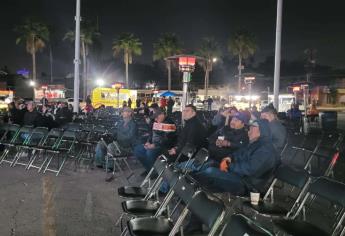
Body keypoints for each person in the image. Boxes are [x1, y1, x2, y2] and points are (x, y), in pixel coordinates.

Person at [193, 119, 279, 195]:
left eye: (252, 127)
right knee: (210, 164)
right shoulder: (255, 144)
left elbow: (251, 169)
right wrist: (229, 158)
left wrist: (229, 166)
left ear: (261, 130)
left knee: (210, 172)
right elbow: (239, 153)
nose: (249, 130)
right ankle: (189, 182)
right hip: (238, 174)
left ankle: (189, 187)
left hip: (246, 184)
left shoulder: (266, 149)